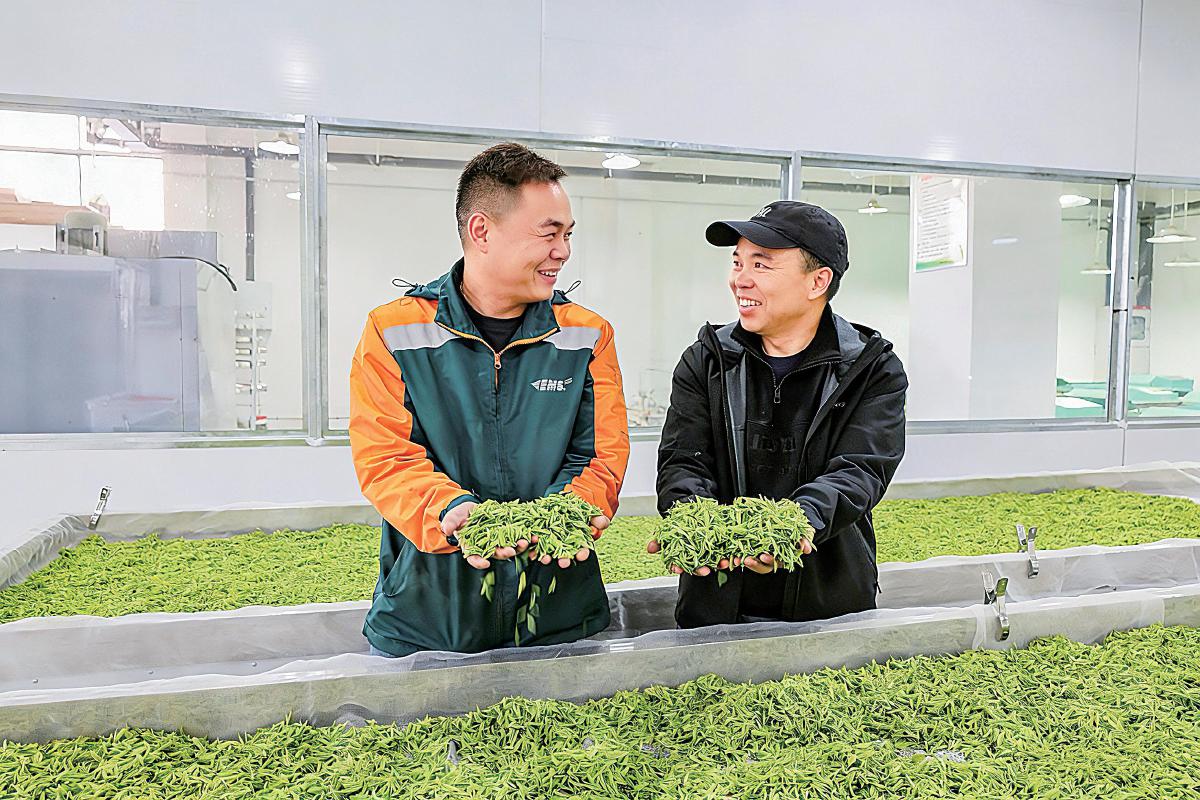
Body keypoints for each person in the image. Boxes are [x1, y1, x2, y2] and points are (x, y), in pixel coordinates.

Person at [350, 142, 630, 656]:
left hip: (559, 613)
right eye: (549, 233)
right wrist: (453, 511)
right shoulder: (395, 331)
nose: (563, 251)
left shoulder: (586, 335)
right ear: (481, 231)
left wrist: (560, 519)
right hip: (430, 617)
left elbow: (599, 457)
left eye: (568, 234)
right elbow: (386, 458)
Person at [653, 200, 907, 626]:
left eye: (761, 265)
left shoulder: (871, 369)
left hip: (828, 605)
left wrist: (792, 527)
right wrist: (693, 521)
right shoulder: (707, 360)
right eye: (737, 262)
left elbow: (859, 471)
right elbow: (683, 461)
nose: (740, 279)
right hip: (715, 602)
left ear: (818, 281)